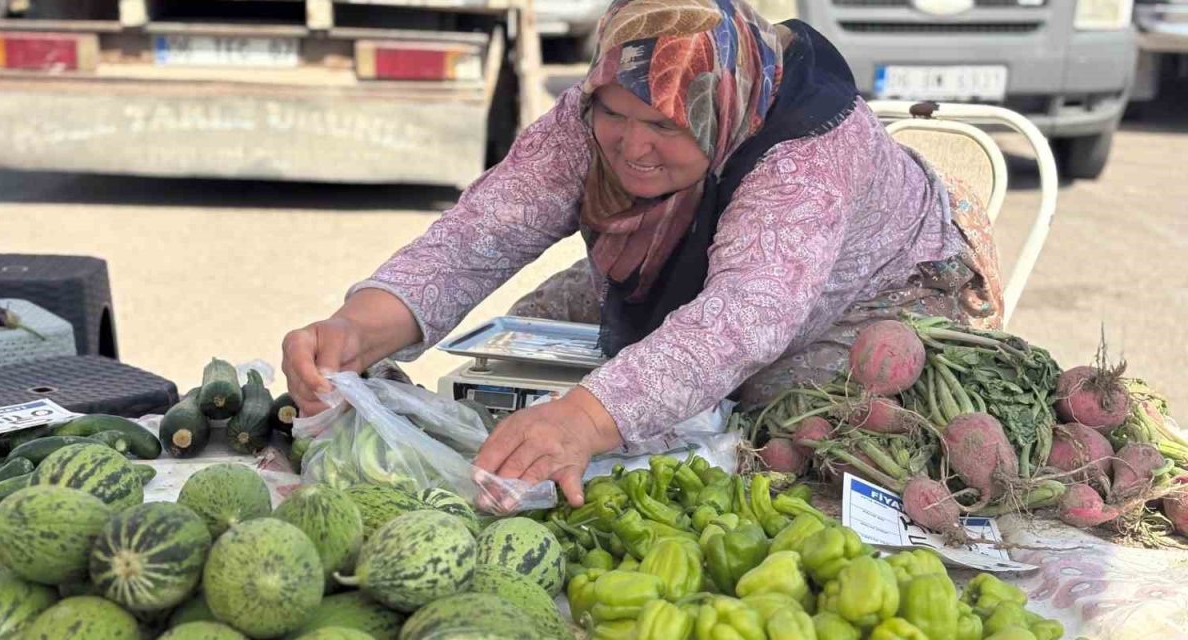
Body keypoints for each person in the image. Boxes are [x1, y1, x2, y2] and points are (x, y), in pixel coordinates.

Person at [281, 0, 1003, 508]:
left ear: (719, 112)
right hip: (681, 249)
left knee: (767, 418)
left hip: (876, 284)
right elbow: (478, 235)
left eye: (664, 125)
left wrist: (586, 421)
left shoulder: (803, 156)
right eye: (614, 118)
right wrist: (359, 326)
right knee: (516, 356)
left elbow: (745, 315)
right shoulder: (603, 101)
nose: (631, 146)